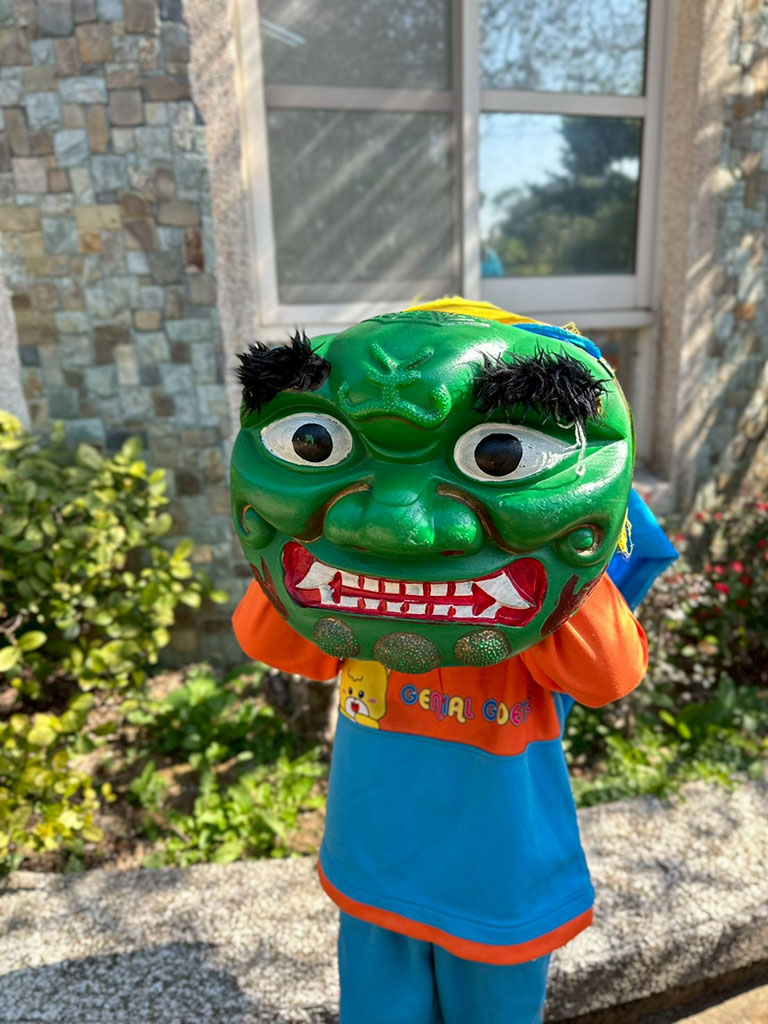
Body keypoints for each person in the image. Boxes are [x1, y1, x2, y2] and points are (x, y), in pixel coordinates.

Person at [230, 299, 653, 1023]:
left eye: (500, 454)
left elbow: (609, 674)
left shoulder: (537, 602)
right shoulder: (345, 597)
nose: (400, 526)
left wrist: (569, 539)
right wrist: (299, 532)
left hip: (497, 880)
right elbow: (273, 641)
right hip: (376, 866)